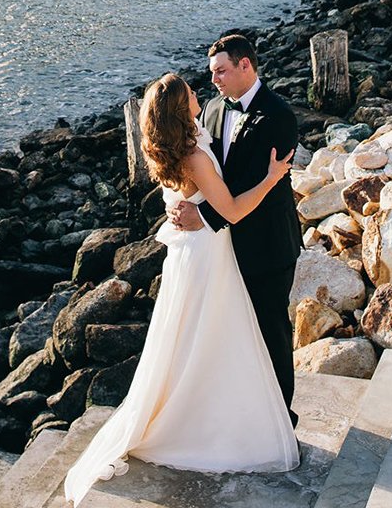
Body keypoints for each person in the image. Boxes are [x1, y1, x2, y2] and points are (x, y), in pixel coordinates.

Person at [63, 72, 299, 506]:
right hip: (208, 254)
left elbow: (197, 199)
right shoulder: (193, 155)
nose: (201, 91)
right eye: (192, 91)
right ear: (179, 107)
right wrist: (270, 178)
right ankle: (200, 426)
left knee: (192, 340)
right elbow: (230, 209)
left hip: (191, 253)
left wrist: (200, 209)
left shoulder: (178, 145)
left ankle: (200, 412)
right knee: (210, 338)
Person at [168, 33, 302, 425]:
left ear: (246, 65)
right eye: (212, 73)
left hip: (267, 244)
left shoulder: (278, 116)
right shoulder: (211, 109)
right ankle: (243, 414)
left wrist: (205, 217)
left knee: (270, 329)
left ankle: (280, 419)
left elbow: (253, 184)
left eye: (221, 71)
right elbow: (208, 175)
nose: (215, 80)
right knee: (232, 331)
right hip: (222, 247)